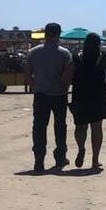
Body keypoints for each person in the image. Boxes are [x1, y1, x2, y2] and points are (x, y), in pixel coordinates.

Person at [25, 22, 74, 172]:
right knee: (60, 126)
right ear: (58, 34)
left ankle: (39, 159)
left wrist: (34, 85)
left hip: (40, 94)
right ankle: (60, 158)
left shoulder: (33, 52)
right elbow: (68, 75)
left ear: (45, 34)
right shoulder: (64, 53)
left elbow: (27, 73)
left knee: (39, 127)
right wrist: (65, 86)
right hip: (59, 94)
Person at [70, 33, 106, 169]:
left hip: (80, 93)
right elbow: (105, 70)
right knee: (97, 128)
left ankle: (81, 148)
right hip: (98, 94)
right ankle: (95, 160)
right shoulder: (103, 56)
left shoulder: (77, 57)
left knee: (80, 126)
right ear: (98, 44)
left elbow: (72, 74)